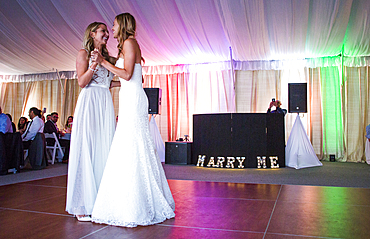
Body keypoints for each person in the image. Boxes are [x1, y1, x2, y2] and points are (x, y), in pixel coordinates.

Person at [91, 13, 175, 227]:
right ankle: (130, 198)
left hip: (133, 99)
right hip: (130, 96)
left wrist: (102, 62)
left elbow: (128, 75)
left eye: (114, 24)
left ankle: (138, 203)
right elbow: (137, 77)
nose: (112, 27)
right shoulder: (126, 46)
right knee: (130, 145)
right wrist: (116, 85)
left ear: (123, 25)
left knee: (132, 144)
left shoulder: (130, 42)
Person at [65, 22, 116, 221]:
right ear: (93, 33)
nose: (107, 34)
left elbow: (110, 83)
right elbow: (81, 82)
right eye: (103, 30)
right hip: (89, 102)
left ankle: (100, 202)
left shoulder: (109, 58)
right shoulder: (83, 53)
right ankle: (81, 204)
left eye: (106, 31)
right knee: (87, 148)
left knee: (105, 148)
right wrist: (95, 63)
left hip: (105, 103)